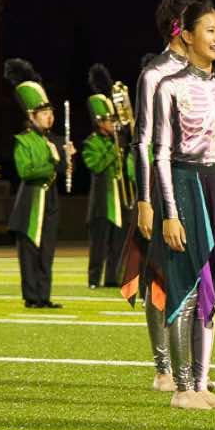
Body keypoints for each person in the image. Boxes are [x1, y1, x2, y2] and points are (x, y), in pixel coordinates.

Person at [152, 3, 215, 412]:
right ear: (187, 35)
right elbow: (161, 153)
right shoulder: (169, 87)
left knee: (211, 289)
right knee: (184, 287)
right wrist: (169, 212)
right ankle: (182, 387)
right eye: (210, 30)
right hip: (185, 183)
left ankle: (202, 383)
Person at [127, 0, 213, 390]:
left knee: (200, 275)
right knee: (162, 274)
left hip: (199, 184)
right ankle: (164, 367)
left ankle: (194, 368)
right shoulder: (155, 73)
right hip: (163, 185)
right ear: (181, 27)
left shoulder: (204, 72)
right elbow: (142, 141)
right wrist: (145, 200)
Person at [3, 58, 73, 309]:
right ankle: (31, 296)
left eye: (51, 112)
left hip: (51, 199)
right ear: (31, 116)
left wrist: (68, 158)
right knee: (29, 251)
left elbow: (63, 170)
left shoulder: (56, 140)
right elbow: (26, 171)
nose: (49, 117)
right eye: (44, 113)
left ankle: (44, 295)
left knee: (47, 251)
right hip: (30, 199)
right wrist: (54, 162)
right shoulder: (23, 140)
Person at [79, 65, 133, 289]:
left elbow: (130, 171)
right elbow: (97, 165)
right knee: (99, 244)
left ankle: (112, 278)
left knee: (118, 243)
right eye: (110, 120)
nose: (114, 124)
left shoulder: (120, 143)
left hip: (121, 201)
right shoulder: (91, 143)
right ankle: (94, 279)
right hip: (101, 203)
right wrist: (115, 149)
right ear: (99, 122)